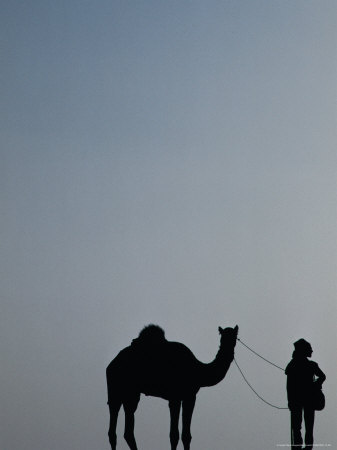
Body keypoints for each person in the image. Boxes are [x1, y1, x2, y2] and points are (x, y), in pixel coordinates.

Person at [285, 339, 326, 450]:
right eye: (309, 349)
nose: (311, 351)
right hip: (304, 400)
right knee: (303, 427)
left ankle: (303, 447)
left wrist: (316, 384)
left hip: (302, 400)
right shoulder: (307, 365)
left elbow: (289, 386)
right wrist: (316, 385)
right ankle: (303, 447)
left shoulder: (294, 366)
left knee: (301, 427)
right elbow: (289, 386)